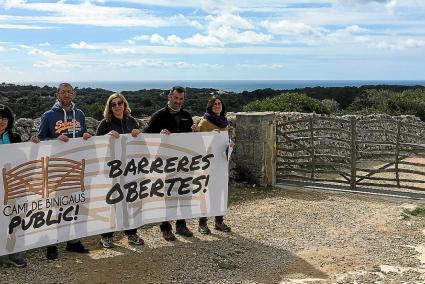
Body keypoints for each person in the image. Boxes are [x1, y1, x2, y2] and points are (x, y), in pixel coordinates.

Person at [31, 83, 91, 260]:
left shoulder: (79, 114)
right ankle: (52, 243)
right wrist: (55, 139)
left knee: (74, 203)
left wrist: (86, 136)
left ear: (73, 94)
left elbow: (82, 134)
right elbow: (41, 138)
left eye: (69, 92)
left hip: (76, 166)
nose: (66, 95)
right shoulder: (48, 116)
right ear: (57, 94)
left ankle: (73, 241)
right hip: (56, 167)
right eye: (63, 92)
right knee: (55, 206)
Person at [145, 86, 196, 241]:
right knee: (167, 195)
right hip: (166, 163)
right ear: (169, 97)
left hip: (184, 163)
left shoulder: (187, 116)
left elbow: (193, 140)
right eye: (175, 98)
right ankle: (165, 228)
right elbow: (145, 136)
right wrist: (158, 135)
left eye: (181, 99)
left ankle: (181, 225)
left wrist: (196, 133)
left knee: (184, 193)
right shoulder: (158, 116)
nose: (178, 101)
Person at [96, 93, 145, 248]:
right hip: (112, 169)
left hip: (130, 168)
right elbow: (96, 144)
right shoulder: (105, 123)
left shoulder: (132, 121)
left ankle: (131, 233)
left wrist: (139, 135)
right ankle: (107, 235)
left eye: (120, 103)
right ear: (109, 107)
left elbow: (141, 145)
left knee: (130, 199)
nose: (117, 106)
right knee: (111, 201)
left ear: (125, 105)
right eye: (113, 104)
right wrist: (106, 136)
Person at [197, 95, 232, 234]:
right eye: (215, 104)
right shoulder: (204, 122)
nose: (217, 106)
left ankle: (219, 221)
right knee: (206, 192)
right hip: (207, 163)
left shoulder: (224, 122)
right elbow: (197, 141)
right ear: (210, 106)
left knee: (220, 191)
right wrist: (210, 135)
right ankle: (202, 223)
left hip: (221, 162)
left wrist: (230, 143)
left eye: (219, 104)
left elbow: (224, 140)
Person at [0, 104, 27, 268]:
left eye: (4, 118)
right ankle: (2, 257)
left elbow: (24, 158)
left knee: (15, 220)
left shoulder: (15, 137)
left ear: (9, 120)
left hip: (13, 187)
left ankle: (16, 255)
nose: (1, 121)